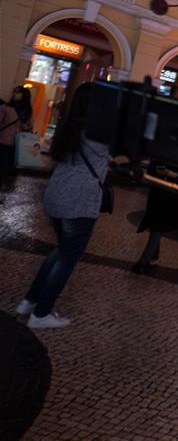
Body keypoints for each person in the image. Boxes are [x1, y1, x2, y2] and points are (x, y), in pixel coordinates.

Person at [15, 84, 123, 328]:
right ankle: (41, 314)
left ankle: (30, 300)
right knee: (67, 259)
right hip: (80, 201)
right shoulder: (100, 133)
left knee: (61, 251)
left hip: (56, 194)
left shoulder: (70, 127)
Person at [131, 164, 178, 274]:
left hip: (170, 198)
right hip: (157, 196)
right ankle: (153, 258)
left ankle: (142, 262)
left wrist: (175, 175)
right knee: (155, 228)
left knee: (157, 228)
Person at [0, 85, 34, 201]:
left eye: (18, 93)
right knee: (2, 166)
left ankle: (5, 189)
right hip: (3, 141)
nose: (15, 94)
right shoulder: (5, 108)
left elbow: (31, 126)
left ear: (24, 96)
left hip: (19, 144)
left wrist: (26, 127)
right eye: (14, 92)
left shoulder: (28, 111)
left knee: (11, 168)